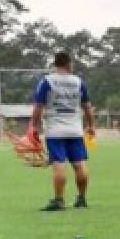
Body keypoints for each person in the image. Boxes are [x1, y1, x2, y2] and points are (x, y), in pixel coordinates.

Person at [30, 51, 95, 211]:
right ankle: (81, 199)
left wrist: (35, 127)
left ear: (55, 64)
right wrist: (91, 125)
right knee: (80, 164)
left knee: (59, 164)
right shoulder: (78, 82)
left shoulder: (47, 81)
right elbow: (87, 106)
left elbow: (38, 107)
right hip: (75, 129)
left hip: (55, 130)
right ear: (68, 64)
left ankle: (59, 201)